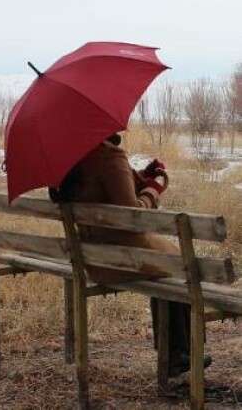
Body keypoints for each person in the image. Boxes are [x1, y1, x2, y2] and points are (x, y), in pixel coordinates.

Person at [49, 133, 211, 377]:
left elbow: (101, 190)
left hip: (94, 258)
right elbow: (132, 217)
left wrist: (137, 178)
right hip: (124, 258)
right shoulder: (108, 155)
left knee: (172, 263)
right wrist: (152, 191)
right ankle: (177, 354)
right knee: (181, 265)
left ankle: (177, 353)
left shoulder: (68, 157)